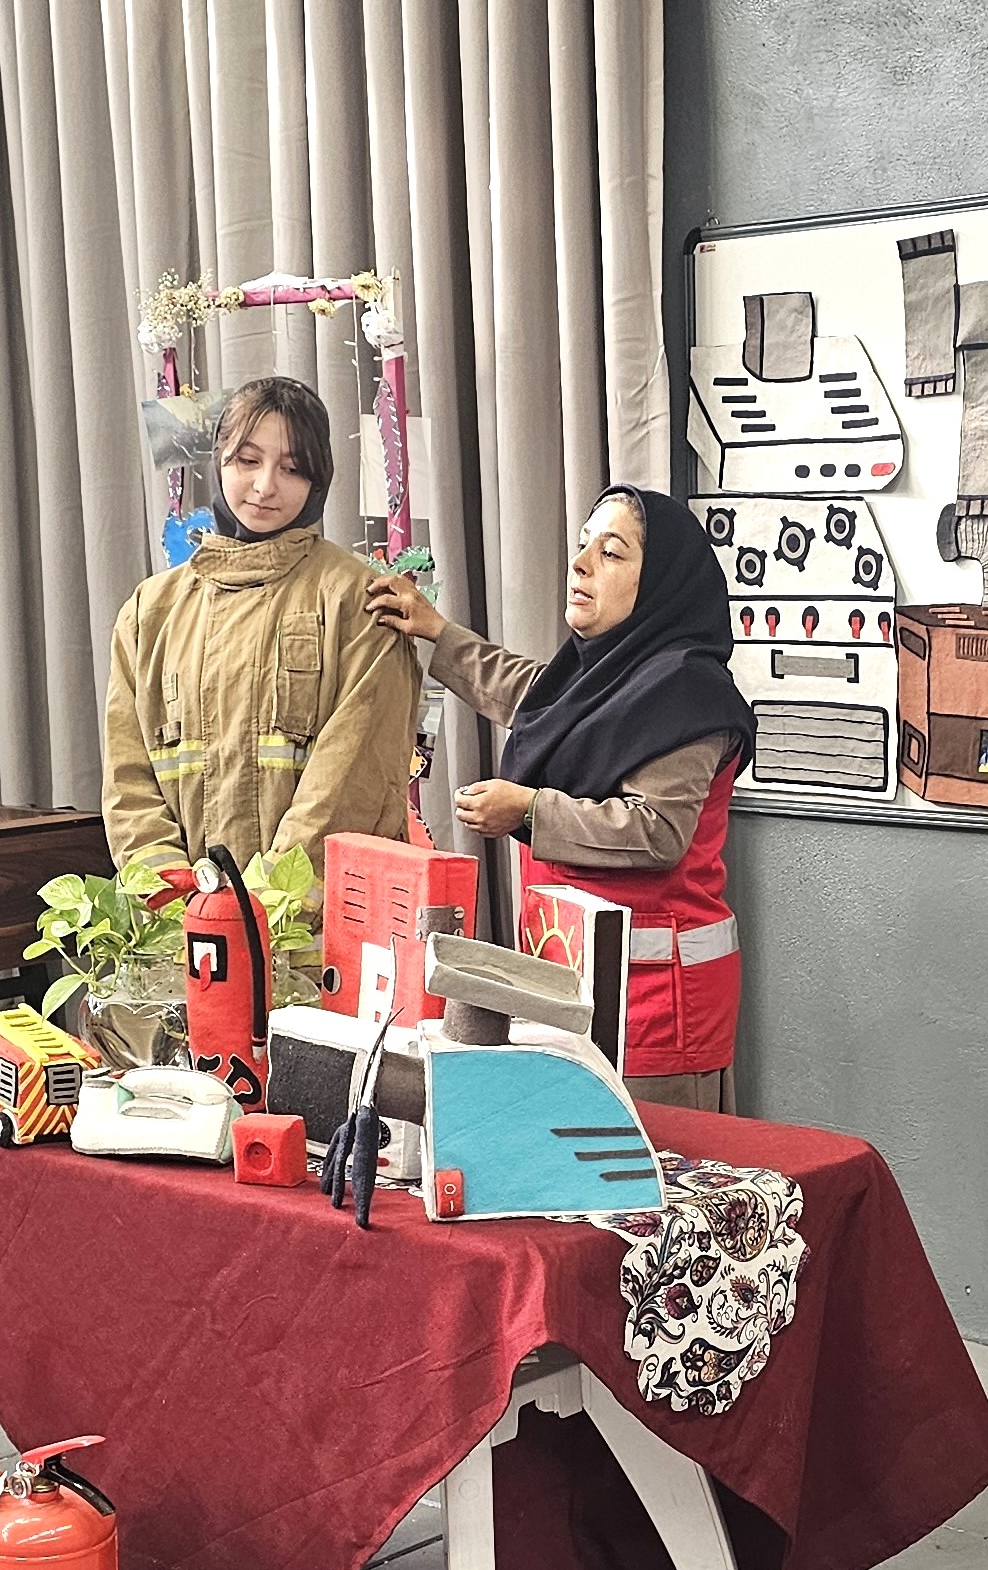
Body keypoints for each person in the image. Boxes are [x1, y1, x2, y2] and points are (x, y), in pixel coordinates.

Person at [367, 486, 756, 1111]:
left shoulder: (688, 695)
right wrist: (438, 632)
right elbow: (537, 697)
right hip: (574, 988)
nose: (579, 564)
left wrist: (526, 810)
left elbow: (656, 831)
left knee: (655, 1169)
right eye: (582, 546)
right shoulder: (609, 675)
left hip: (656, 1012)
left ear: (660, 582)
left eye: (611, 553)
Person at [103, 376, 422, 887]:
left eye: (292, 468)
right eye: (247, 460)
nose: (265, 485)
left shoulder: (360, 601)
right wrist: (171, 889)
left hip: (315, 922)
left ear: (318, 479)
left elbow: (352, 780)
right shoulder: (149, 611)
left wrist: (262, 905)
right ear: (219, 461)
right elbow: (128, 780)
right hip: (184, 920)